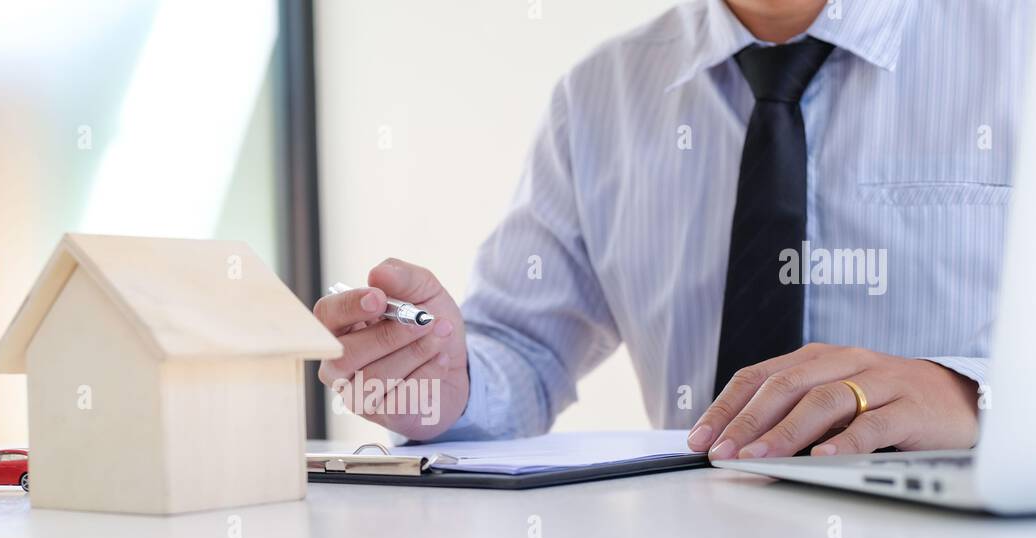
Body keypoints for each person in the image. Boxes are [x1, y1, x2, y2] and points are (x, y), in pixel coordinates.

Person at [312, 0, 1018, 458]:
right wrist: (441, 375)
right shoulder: (600, 98)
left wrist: (973, 396)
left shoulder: (1018, 46)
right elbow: (521, 352)